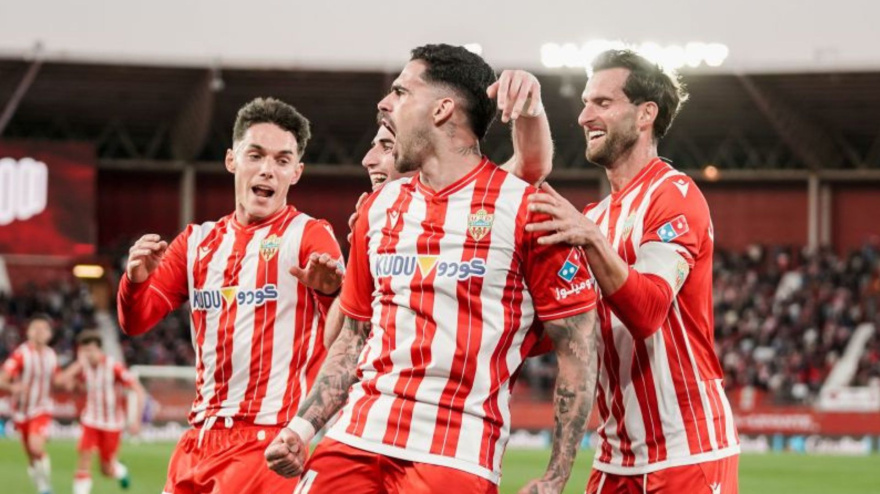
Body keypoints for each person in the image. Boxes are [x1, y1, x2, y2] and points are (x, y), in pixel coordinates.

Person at [266, 44, 598, 494]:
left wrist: (556, 477)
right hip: (357, 436)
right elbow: (354, 338)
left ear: (442, 109)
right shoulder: (378, 208)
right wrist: (302, 430)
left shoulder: (524, 208)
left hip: (455, 452)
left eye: (402, 92)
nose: (387, 105)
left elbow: (577, 347)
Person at [525, 49, 739, 493]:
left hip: (687, 455)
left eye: (602, 103)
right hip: (614, 459)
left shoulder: (674, 195)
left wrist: (590, 238)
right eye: (585, 103)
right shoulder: (595, 217)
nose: (584, 116)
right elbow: (560, 331)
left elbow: (647, 313)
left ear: (646, 114)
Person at [117, 97, 345, 494]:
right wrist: (135, 280)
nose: (267, 170)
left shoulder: (310, 235)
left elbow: (349, 335)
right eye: (255, 155)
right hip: (197, 441)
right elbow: (136, 321)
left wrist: (330, 295)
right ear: (231, 160)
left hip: (267, 444)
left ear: (297, 172)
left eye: (282, 160)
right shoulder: (196, 242)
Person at [323, 68, 555, 348]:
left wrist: (531, 107)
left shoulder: (477, 201)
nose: (368, 159)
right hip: (373, 387)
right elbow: (337, 344)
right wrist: (351, 276)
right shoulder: (376, 218)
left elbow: (529, 166)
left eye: (386, 146)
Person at [55, 330, 146, 494]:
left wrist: (136, 420)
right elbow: (60, 382)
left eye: (91, 350)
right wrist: (78, 365)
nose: (88, 354)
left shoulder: (114, 367)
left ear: (99, 350)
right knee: (84, 457)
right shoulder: (83, 367)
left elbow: (138, 390)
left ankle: (120, 470)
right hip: (90, 420)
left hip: (112, 424)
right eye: (84, 351)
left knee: (106, 470)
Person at [0, 315, 58, 494]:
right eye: (36, 328)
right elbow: (2, 380)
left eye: (44, 328)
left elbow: (57, 380)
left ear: (50, 334)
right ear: (28, 332)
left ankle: (46, 487)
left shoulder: (51, 355)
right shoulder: (20, 354)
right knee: (32, 456)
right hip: (22, 411)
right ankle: (42, 486)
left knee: (35, 446)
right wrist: (13, 387)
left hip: (42, 408)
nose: (40, 332)